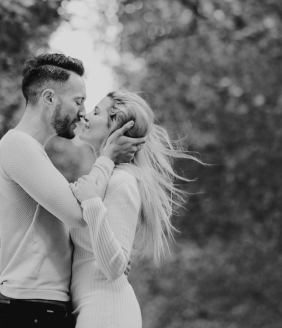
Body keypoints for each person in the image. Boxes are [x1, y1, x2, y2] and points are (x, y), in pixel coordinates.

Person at [0, 54, 145, 328]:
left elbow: (73, 216)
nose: (83, 112)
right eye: (78, 101)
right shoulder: (18, 146)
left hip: (43, 307)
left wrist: (108, 253)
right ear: (49, 98)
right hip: (30, 307)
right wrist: (107, 156)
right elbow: (78, 213)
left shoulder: (33, 153)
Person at [69, 91, 202, 328]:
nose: (86, 116)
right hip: (92, 309)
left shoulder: (122, 182)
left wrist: (92, 204)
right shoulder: (101, 180)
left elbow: (114, 267)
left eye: (96, 112)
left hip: (107, 312)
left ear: (115, 127)